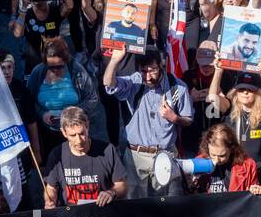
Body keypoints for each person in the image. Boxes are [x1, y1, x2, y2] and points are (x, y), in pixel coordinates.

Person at [103, 50, 193, 197]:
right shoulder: (136, 81)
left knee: (162, 206)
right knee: (134, 207)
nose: (148, 77)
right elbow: (109, 84)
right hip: (135, 156)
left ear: (161, 65)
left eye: (153, 70)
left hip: (164, 154)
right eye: (144, 71)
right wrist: (114, 61)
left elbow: (188, 120)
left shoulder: (177, 87)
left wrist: (174, 118)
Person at [206, 65, 261, 188]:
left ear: (257, 92)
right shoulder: (229, 108)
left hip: (256, 172)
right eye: (241, 89)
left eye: (250, 89)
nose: (245, 92)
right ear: (236, 92)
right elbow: (212, 98)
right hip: (231, 171)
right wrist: (218, 71)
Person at [26, 37, 104, 159]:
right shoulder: (38, 73)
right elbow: (29, 101)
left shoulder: (77, 71)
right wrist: (42, 114)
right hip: (47, 133)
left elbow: (92, 98)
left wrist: (72, 113)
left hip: (74, 132)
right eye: (51, 67)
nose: (55, 71)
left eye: (59, 66)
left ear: (66, 61)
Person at [42, 106, 127, 208]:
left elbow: (122, 185)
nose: (79, 140)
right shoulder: (57, 154)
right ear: (64, 133)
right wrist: (50, 201)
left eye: (81, 134)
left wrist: (111, 192)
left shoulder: (108, 150)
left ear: (87, 126)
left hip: (102, 212)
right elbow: (51, 188)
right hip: (71, 215)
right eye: (72, 135)